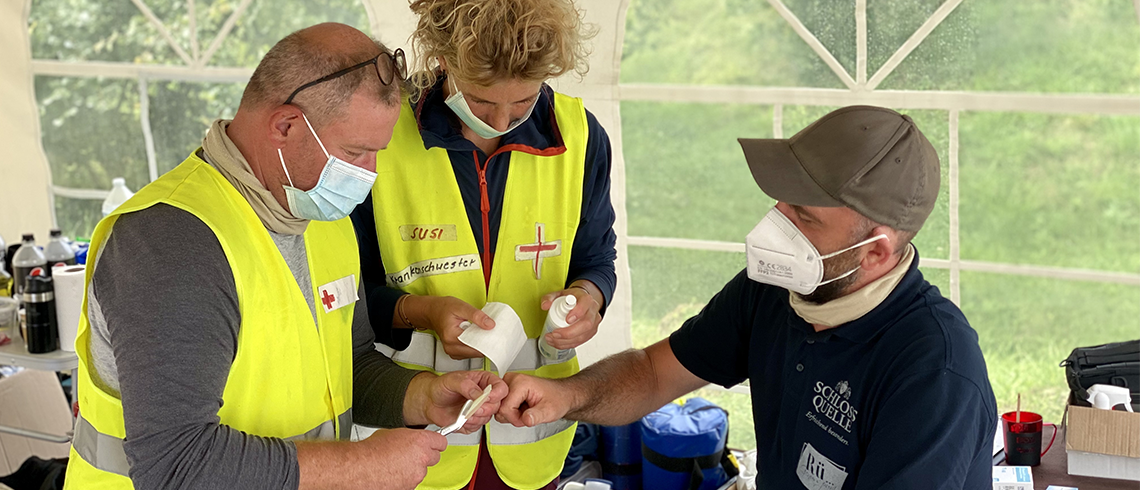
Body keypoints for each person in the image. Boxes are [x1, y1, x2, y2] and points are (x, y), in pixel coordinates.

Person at [63, 23, 506, 490]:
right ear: (286, 126)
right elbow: (177, 463)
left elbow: (349, 365)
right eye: (355, 152)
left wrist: (421, 397)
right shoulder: (170, 242)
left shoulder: (324, 221)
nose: (370, 175)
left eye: (377, 154)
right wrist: (361, 467)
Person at [499, 106, 999, 489]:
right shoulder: (775, 291)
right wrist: (567, 396)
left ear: (875, 252)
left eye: (803, 218)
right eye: (779, 204)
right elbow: (653, 373)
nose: (775, 227)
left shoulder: (935, 373)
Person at [348, 0, 616, 488]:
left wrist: (588, 300)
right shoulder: (383, 135)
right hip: (415, 440)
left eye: (523, 102)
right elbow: (350, 294)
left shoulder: (581, 137)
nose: (504, 118)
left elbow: (597, 257)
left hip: (531, 437)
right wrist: (424, 313)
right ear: (444, 60)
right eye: (482, 100)